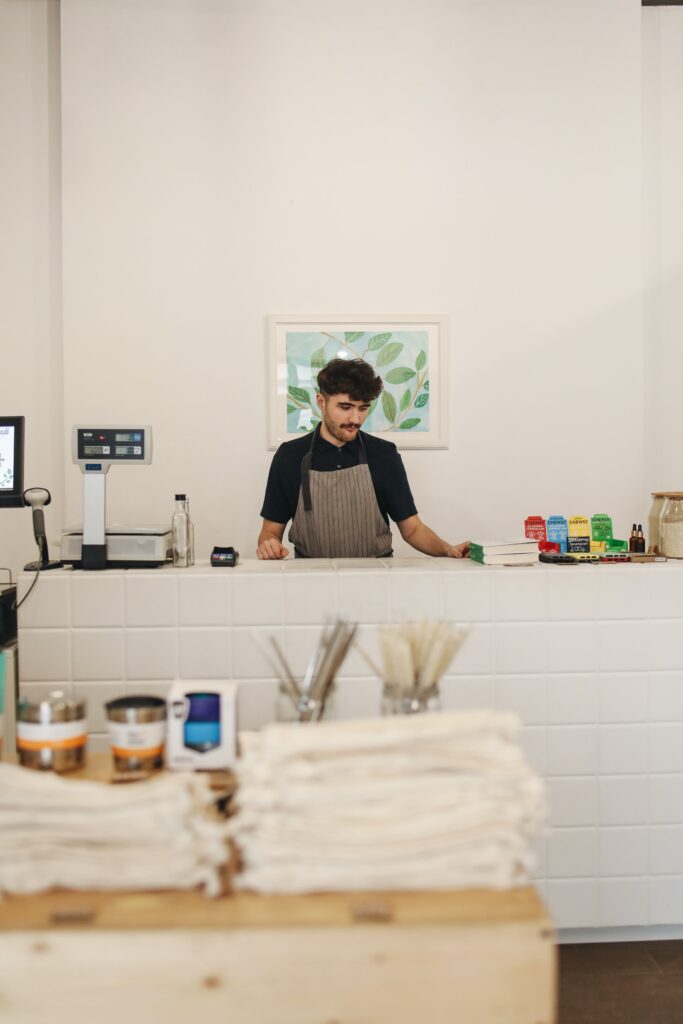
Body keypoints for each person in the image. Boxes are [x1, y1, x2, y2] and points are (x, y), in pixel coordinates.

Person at [257, 357, 470, 560]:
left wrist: (448, 550)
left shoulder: (384, 455)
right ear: (321, 402)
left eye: (363, 408)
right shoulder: (290, 456)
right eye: (345, 407)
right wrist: (269, 545)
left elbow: (412, 529)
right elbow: (270, 531)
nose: (355, 419)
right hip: (312, 578)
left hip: (376, 577)